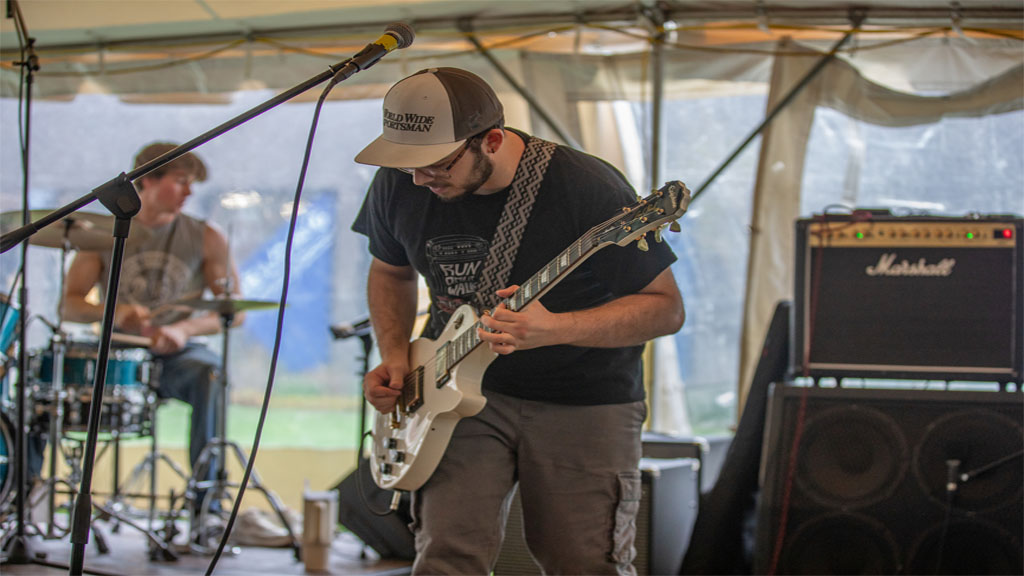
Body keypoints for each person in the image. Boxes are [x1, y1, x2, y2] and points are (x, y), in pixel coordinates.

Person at [352, 67, 685, 575]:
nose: (420, 179)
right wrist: (396, 356)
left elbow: (666, 307)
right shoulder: (400, 181)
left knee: (582, 562)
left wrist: (556, 328)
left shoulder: (586, 187)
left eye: (436, 164)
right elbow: (389, 272)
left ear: (491, 140)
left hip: (583, 399)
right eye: (409, 165)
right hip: (451, 393)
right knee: (445, 557)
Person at [62, 142, 242, 520]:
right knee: (44, 387)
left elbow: (234, 312)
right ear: (147, 181)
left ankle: (205, 504)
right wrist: (111, 312)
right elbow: (69, 304)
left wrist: (184, 328)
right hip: (114, 355)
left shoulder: (206, 236)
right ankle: (20, 491)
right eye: (181, 182)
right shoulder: (102, 233)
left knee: (211, 374)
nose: (190, 192)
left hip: (178, 354)